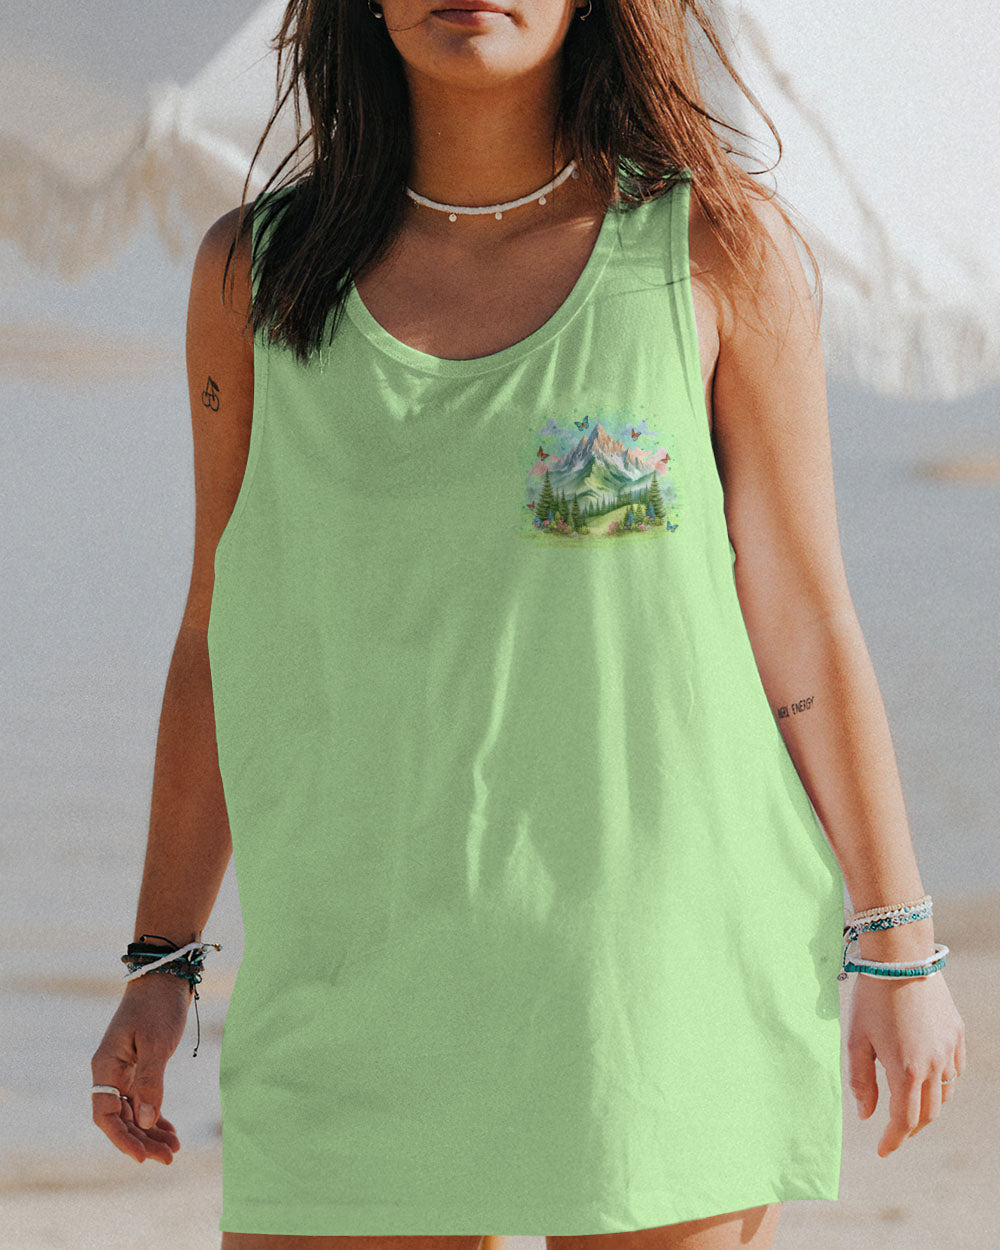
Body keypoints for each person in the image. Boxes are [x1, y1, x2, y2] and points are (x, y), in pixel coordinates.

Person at [90, 1, 967, 1248]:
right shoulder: (258, 275)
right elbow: (215, 629)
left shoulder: (712, 247)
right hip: (349, 988)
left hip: (654, 985)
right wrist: (162, 957)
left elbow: (807, 615)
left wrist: (897, 945)